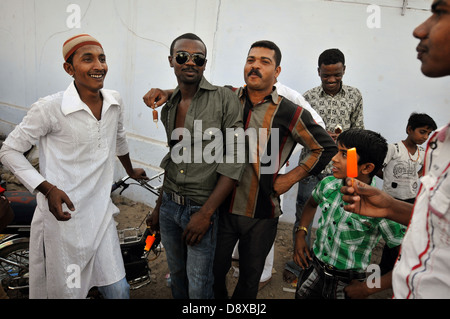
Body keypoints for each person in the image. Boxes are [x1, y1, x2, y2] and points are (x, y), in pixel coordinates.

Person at [0, 34, 148, 299]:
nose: (99, 66)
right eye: (87, 59)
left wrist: (130, 170)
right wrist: (46, 189)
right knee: (68, 293)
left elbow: (119, 137)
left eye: (102, 58)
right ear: (69, 68)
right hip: (64, 220)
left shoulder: (114, 100)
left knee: (118, 290)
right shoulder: (50, 108)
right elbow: (9, 150)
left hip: (101, 215)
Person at [341, 0, 450, 299]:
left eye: (440, 13)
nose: (419, 29)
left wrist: (366, 287)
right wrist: (390, 206)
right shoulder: (441, 143)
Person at [212, 40, 337, 299]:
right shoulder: (227, 98)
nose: (255, 66)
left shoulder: (289, 111)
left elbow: (324, 146)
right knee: (213, 272)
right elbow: (196, 93)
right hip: (221, 206)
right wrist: (167, 93)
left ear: (277, 72)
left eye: (264, 61)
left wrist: (289, 179)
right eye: (251, 60)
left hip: (261, 212)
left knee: (248, 280)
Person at [144, 33, 245, 299]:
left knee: (200, 283)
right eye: (182, 57)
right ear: (171, 61)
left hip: (201, 208)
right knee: (176, 274)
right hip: (168, 207)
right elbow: (172, 160)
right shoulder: (169, 107)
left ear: (204, 64)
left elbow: (234, 161)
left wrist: (206, 213)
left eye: (197, 58)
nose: (190, 62)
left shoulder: (224, 99)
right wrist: (158, 207)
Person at [294, 128, 405, 299]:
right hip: (314, 270)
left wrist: (369, 288)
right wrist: (302, 232)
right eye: (337, 151)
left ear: (367, 167)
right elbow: (310, 204)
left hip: (348, 284)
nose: (334, 158)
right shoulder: (328, 184)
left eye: (344, 154)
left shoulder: (381, 208)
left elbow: (407, 258)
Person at [294, 48, 364, 246]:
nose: (331, 79)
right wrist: (321, 137)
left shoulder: (354, 95)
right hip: (311, 166)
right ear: (318, 72)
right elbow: (300, 133)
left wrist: (352, 169)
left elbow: (359, 132)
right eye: (326, 75)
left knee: (342, 217)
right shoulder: (308, 98)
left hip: (342, 168)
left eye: (337, 75)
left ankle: (332, 260)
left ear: (344, 71)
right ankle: (299, 261)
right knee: (303, 214)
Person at [376, 112, 437, 275]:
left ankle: (392, 272)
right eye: (422, 132)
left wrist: (414, 178)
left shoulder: (422, 153)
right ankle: (385, 273)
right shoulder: (394, 149)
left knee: (403, 239)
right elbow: (377, 167)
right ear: (409, 129)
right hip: (390, 200)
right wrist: (388, 177)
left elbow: (426, 168)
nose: (425, 137)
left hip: (410, 201)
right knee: (393, 241)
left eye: (428, 133)